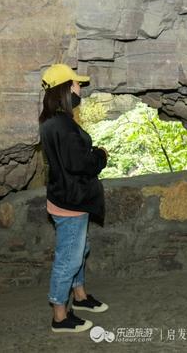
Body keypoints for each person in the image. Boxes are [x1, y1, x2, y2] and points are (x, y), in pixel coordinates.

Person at [39, 63, 109, 333]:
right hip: (71, 202)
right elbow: (81, 164)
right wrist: (100, 155)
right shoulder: (64, 126)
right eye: (77, 84)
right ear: (67, 89)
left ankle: (79, 297)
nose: (80, 88)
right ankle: (60, 316)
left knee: (79, 250)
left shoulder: (50, 122)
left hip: (63, 197)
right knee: (68, 258)